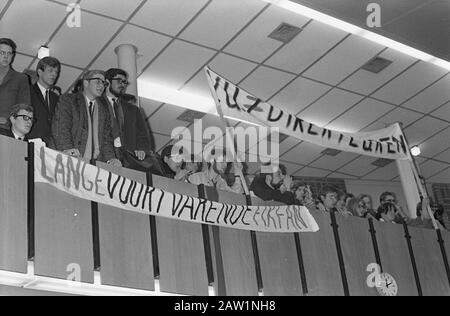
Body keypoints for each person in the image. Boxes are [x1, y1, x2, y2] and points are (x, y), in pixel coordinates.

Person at [52, 70, 121, 166]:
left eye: (104, 83)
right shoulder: (68, 100)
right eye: (97, 81)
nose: (101, 86)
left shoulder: (104, 110)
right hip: (68, 160)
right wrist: (67, 149)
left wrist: (111, 159)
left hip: (94, 165)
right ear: (86, 83)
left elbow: (106, 139)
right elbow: (61, 128)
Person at [102, 68, 152, 169]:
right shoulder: (96, 103)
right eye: (119, 80)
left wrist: (141, 149)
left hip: (127, 162)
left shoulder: (133, 110)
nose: (123, 84)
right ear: (107, 82)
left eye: (125, 82)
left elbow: (143, 135)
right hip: (102, 159)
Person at [28, 57, 61, 146]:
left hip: (51, 146)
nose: (54, 75)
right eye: (50, 71)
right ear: (39, 72)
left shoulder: (56, 98)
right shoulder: (28, 92)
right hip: (31, 142)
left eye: (56, 72)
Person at [0, 38, 31, 130]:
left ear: (12, 56)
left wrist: (8, 121)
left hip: (6, 129)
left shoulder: (21, 79)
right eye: (2, 52)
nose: (6, 56)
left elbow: (24, 110)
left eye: (9, 53)